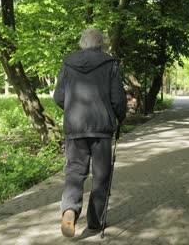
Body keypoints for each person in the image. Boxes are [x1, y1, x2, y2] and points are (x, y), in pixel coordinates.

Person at [53, 28, 127, 238]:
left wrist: (72, 111)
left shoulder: (68, 63)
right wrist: (120, 117)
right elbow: (118, 99)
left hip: (75, 128)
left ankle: (69, 209)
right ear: (101, 44)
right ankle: (95, 222)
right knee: (101, 176)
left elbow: (59, 97)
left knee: (74, 172)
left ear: (81, 43)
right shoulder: (110, 64)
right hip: (102, 129)